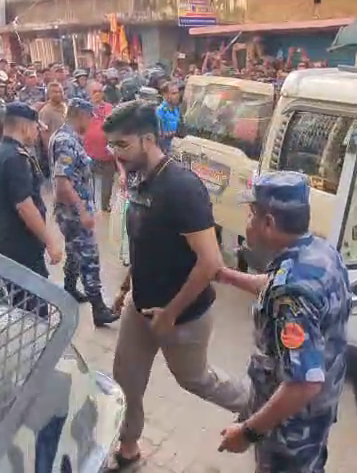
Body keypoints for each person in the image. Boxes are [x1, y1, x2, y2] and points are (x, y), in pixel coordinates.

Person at [104, 100, 247, 471]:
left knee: (195, 380)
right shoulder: (138, 177)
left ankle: (256, 406)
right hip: (141, 307)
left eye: (122, 144)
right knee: (126, 380)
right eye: (112, 145)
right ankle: (129, 448)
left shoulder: (182, 187)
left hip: (184, 316)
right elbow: (143, 242)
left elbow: (211, 262)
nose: (116, 153)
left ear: (149, 139)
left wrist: (170, 313)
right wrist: (125, 289)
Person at [215, 171, 352, 472]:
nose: (247, 223)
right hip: (315, 415)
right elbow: (274, 284)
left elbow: (304, 383)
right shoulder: (319, 252)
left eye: (251, 215)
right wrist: (227, 276)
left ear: (268, 223)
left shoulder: (291, 294)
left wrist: (248, 432)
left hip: (291, 429)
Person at [51, 98, 118, 326]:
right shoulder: (66, 141)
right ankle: (99, 309)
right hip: (73, 211)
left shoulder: (67, 137)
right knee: (90, 256)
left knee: (74, 250)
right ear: (80, 115)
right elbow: (63, 183)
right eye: (90, 118)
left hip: (71, 210)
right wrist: (83, 212)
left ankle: (70, 287)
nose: (91, 123)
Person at [0, 102, 62, 282]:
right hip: (20, 245)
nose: (37, 133)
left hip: (2, 240)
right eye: (36, 128)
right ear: (25, 127)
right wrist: (50, 242)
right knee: (32, 296)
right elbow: (25, 206)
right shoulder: (15, 157)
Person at [83, 80, 116, 212]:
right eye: (94, 92)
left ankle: (105, 205)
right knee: (89, 182)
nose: (98, 94)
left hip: (107, 153)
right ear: (88, 93)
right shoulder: (84, 109)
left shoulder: (109, 108)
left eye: (100, 91)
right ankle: (90, 206)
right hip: (88, 153)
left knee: (108, 181)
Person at [155, 81, 181, 155]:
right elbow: (156, 134)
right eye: (173, 93)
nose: (177, 96)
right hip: (163, 151)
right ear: (165, 95)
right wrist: (170, 134)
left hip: (174, 149)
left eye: (177, 93)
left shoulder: (176, 109)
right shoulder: (160, 111)